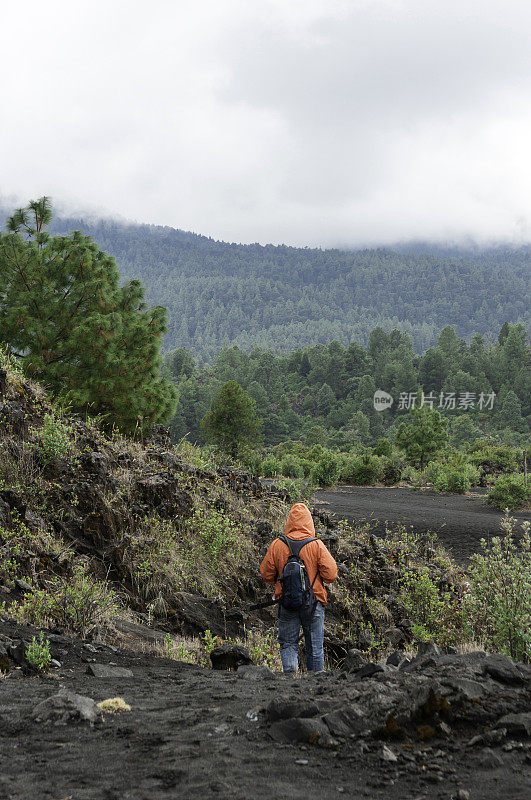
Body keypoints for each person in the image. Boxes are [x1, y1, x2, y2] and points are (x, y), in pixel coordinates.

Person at [259, 502, 338, 673]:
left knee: (288, 644)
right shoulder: (316, 545)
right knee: (315, 648)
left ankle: (290, 682)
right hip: (314, 603)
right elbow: (331, 575)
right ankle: (316, 685)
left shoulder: (277, 545)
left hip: (287, 602)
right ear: (309, 522)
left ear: (289, 522)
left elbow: (265, 574)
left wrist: (281, 582)